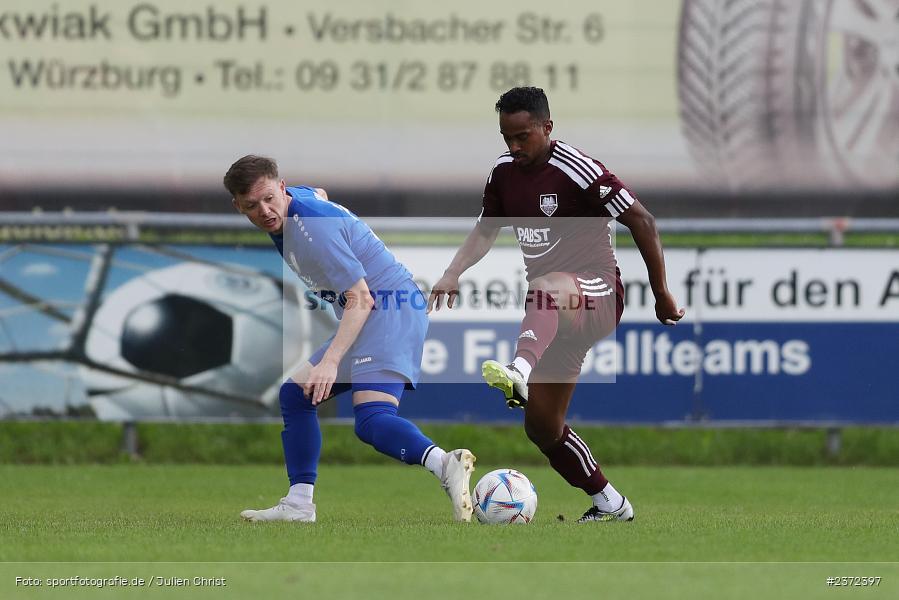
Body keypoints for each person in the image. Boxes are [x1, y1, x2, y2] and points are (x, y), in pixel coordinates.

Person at [428, 87, 684, 523]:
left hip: (598, 294)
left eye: (523, 136)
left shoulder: (578, 169)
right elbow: (486, 230)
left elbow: (642, 219)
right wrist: (453, 273)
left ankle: (518, 371)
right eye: (506, 137)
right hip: (557, 315)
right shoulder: (504, 173)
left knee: (544, 286)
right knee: (542, 426)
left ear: (547, 127)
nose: (513, 146)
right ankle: (611, 505)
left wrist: (661, 292)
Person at [224, 155, 476, 523]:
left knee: (372, 419)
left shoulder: (312, 230)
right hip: (374, 310)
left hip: (387, 308)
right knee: (296, 395)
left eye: (268, 198)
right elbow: (319, 193)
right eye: (251, 205)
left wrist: (330, 361)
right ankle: (298, 505)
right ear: (238, 206)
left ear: (281, 187)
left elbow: (361, 296)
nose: (264, 211)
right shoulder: (299, 203)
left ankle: (445, 464)